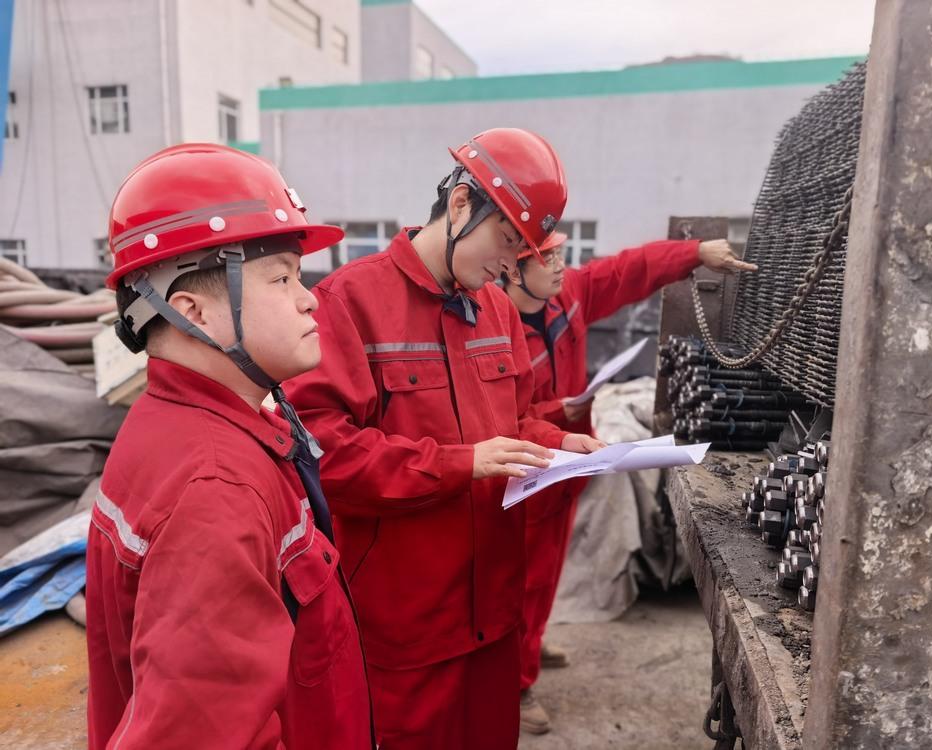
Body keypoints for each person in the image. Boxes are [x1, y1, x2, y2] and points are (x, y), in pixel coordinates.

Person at [285, 128, 602, 749]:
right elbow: (324, 455)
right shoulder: (349, 303)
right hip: (406, 623)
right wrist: (461, 465)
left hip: (493, 613)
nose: (512, 264)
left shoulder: (497, 310)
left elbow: (513, 424)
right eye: (508, 240)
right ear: (461, 203)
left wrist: (560, 445)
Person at [86, 143, 374, 749]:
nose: (309, 297)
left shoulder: (180, 423)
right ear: (194, 312)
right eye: (281, 278)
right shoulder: (215, 491)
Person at [503, 229, 756, 733]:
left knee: (548, 569)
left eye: (559, 253)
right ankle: (516, 682)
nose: (559, 264)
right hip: (526, 471)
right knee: (520, 581)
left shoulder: (566, 296)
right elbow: (499, 416)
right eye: (546, 256)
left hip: (571, 467)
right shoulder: (492, 325)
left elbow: (626, 271)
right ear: (511, 268)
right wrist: (560, 410)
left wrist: (694, 253)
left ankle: (528, 645)